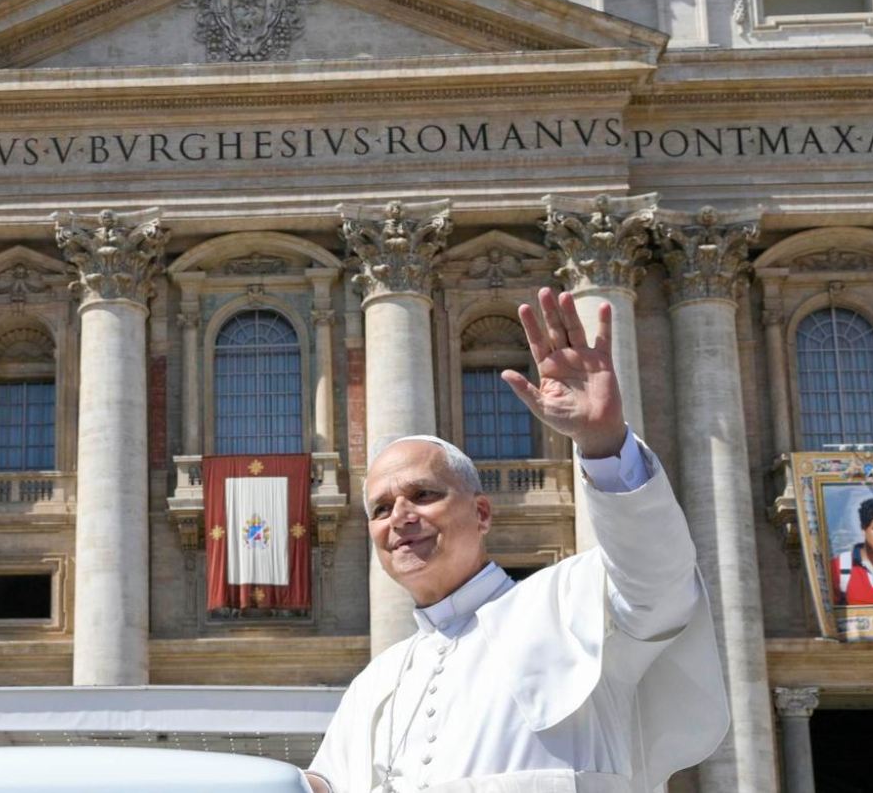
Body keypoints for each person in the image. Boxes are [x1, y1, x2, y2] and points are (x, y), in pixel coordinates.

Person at [305, 288, 728, 793]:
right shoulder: (374, 684)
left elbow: (659, 580)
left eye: (422, 494)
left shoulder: (573, 604)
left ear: (481, 513)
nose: (400, 517)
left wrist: (603, 443)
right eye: (380, 508)